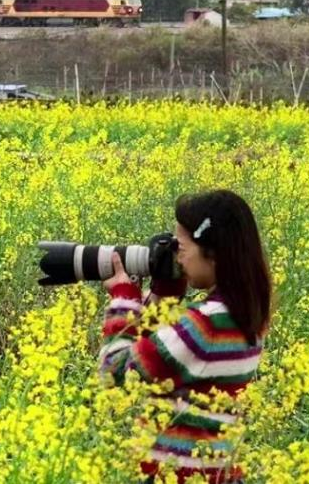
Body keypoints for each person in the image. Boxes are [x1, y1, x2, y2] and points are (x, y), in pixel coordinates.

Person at [98, 189, 272, 484]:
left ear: (212, 253)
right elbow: (175, 364)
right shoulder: (244, 315)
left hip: (178, 477)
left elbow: (114, 371)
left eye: (181, 247)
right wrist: (165, 296)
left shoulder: (204, 326)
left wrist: (124, 299)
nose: (178, 258)